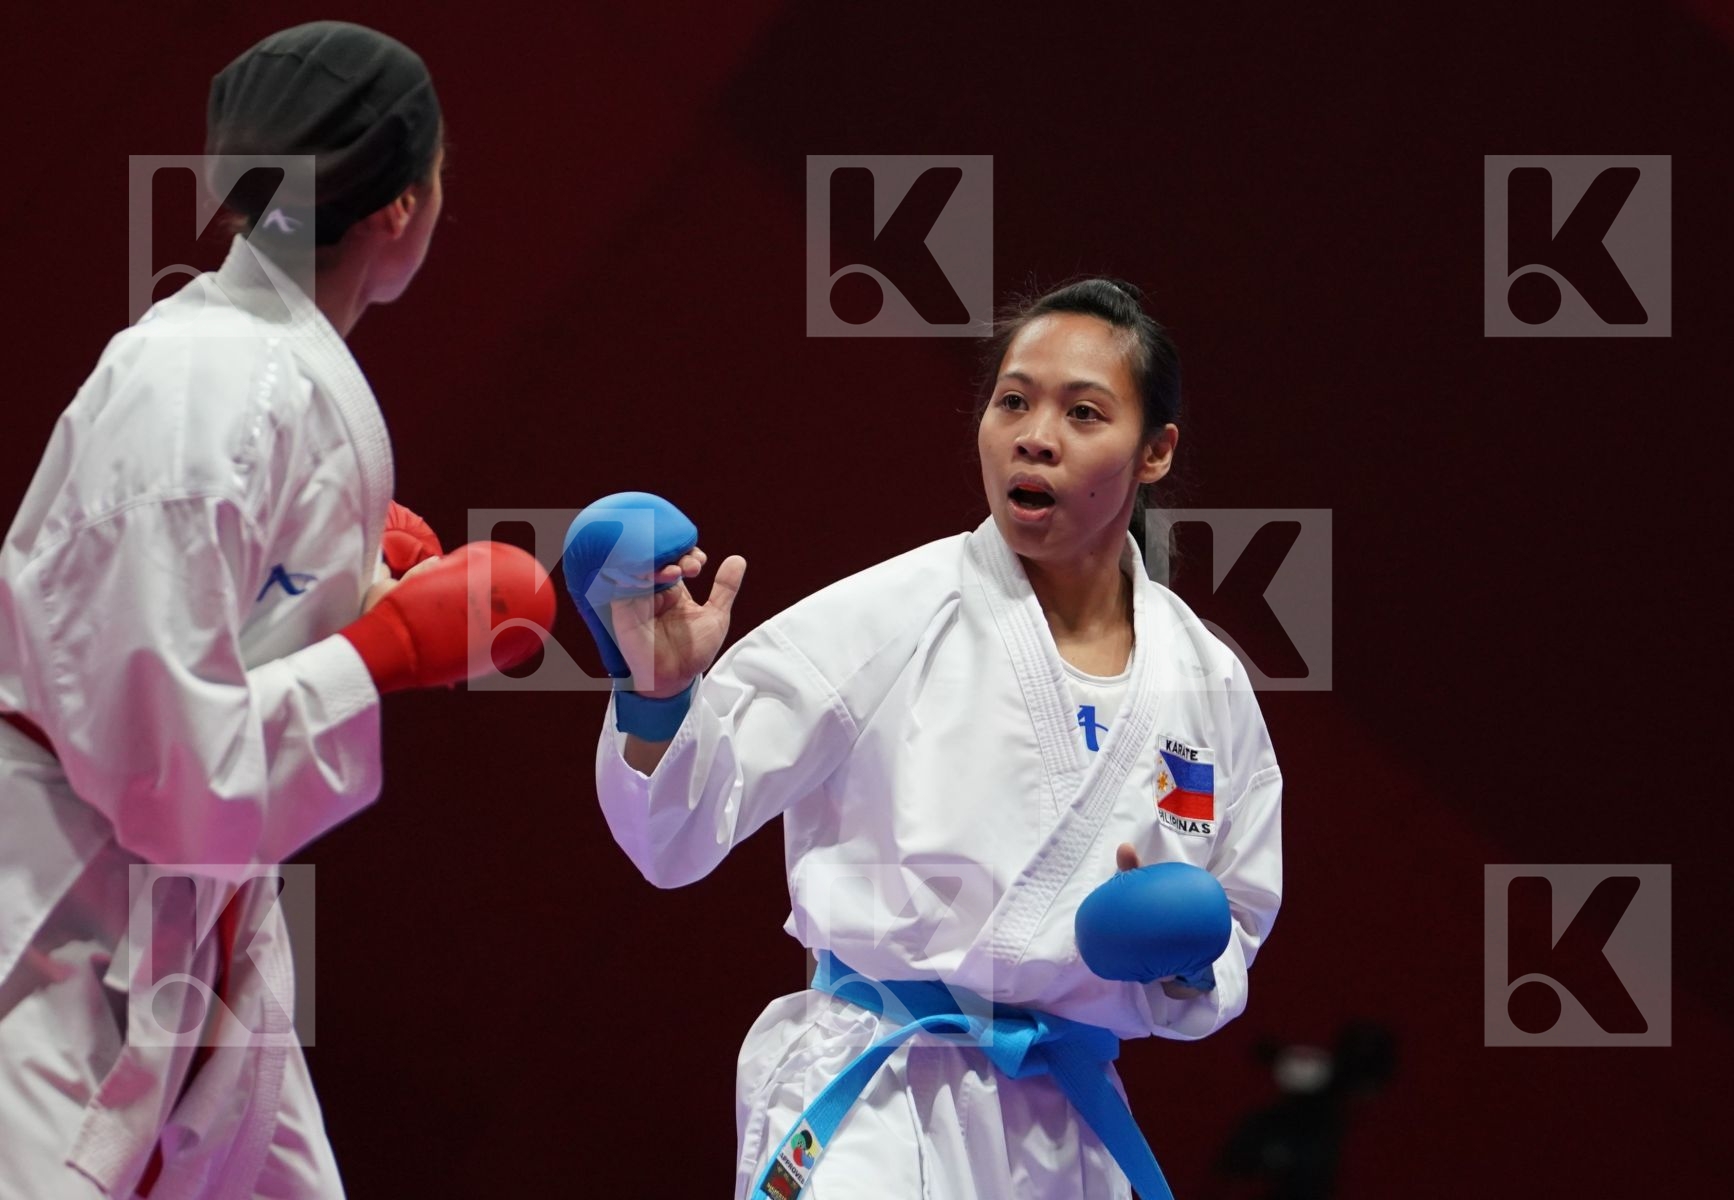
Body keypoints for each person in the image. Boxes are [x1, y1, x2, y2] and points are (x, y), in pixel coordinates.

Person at [0, 22, 551, 1197]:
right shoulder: (208, 382)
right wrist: (383, 652)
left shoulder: (255, 376)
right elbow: (164, 772)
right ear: (405, 206)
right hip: (56, 923)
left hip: (190, 934)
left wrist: (358, 592)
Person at [581, 278, 1284, 1198]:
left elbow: (1235, 921)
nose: (1036, 435)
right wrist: (661, 697)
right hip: (880, 1100)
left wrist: (1190, 959)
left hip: (1065, 1123)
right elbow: (671, 836)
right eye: (1013, 401)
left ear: (1155, 452)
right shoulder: (892, 614)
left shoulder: (1205, 679)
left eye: (1082, 412)